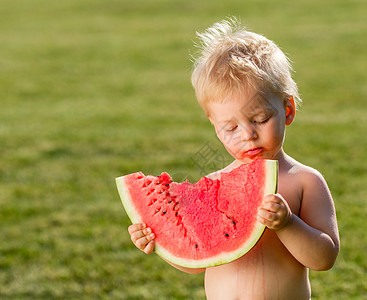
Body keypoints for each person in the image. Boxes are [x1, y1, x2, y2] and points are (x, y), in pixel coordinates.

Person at [128, 18, 340, 300]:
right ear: (214, 126)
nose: (248, 135)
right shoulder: (214, 184)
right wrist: (159, 241)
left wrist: (289, 224)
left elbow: (324, 258)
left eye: (260, 119)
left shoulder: (305, 182)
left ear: (288, 110)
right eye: (231, 128)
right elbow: (196, 256)